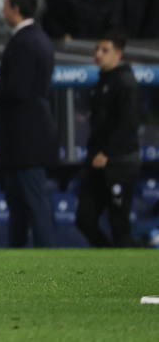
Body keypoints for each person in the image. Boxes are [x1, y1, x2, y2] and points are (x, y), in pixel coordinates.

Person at [0, 0, 57, 248]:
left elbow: (18, 90)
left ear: (16, 8)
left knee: (34, 201)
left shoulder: (24, 42)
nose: (3, 10)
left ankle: (46, 254)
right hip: (27, 136)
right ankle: (17, 254)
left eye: (5, 5)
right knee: (19, 202)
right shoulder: (39, 38)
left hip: (26, 137)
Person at [77, 32, 140, 247]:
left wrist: (108, 153)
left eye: (105, 50)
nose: (98, 54)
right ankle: (108, 255)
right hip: (96, 160)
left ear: (118, 54)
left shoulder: (125, 83)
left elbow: (128, 124)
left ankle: (129, 270)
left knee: (119, 224)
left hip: (119, 163)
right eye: (96, 49)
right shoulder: (102, 82)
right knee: (84, 219)